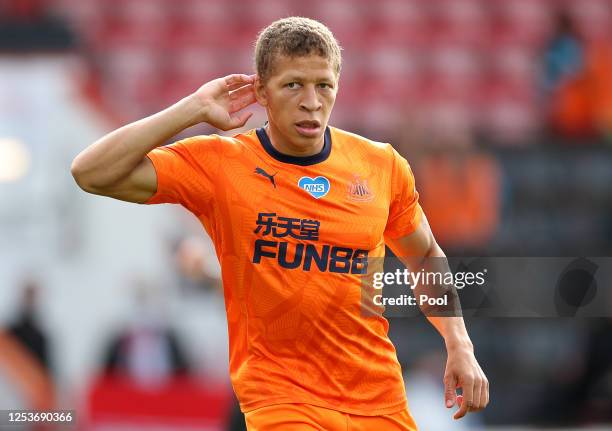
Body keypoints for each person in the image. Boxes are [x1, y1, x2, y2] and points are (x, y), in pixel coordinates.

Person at [71, 17, 488, 430]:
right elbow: (91, 172)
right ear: (261, 92)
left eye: (324, 85)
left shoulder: (381, 165)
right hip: (281, 401)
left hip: (378, 400)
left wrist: (459, 344)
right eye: (293, 85)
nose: (311, 101)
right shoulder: (221, 165)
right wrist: (191, 109)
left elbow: (426, 255)